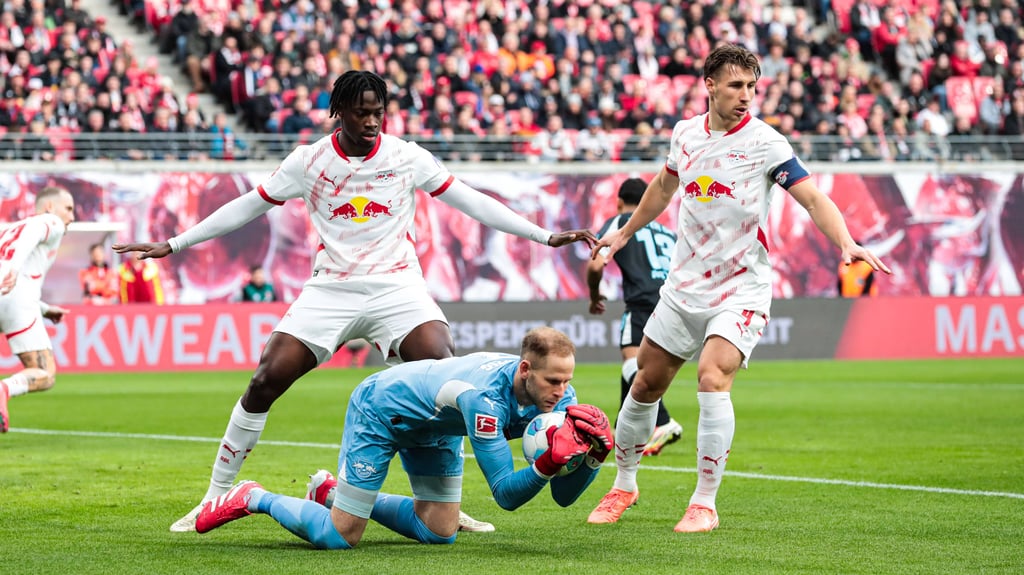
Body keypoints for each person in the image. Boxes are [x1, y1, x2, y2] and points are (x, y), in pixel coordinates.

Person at [112, 70, 596, 534]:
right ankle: (215, 494)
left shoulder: (406, 156)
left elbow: (471, 200)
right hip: (332, 288)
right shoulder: (309, 161)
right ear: (338, 111)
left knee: (444, 378)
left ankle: (443, 501)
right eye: (361, 112)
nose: (371, 121)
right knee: (266, 379)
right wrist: (176, 243)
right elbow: (249, 204)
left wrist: (544, 236)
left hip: (397, 286)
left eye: (378, 113)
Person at [586, 44, 891, 533]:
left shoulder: (767, 143)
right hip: (684, 287)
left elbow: (813, 198)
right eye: (736, 86)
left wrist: (846, 241)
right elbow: (663, 188)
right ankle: (624, 485)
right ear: (709, 85)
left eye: (752, 86)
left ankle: (704, 503)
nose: (746, 95)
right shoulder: (685, 134)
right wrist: (623, 233)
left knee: (712, 377)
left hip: (741, 287)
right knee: (644, 385)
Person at [194, 327, 613, 549]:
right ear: (525, 370)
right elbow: (505, 494)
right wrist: (547, 463)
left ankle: (330, 492)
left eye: (567, 381)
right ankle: (254, 496)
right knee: (340, 536)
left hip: (437, 427)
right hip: (383, 410)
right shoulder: (483, 400)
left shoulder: (563, 400)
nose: (562, 392)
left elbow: (563, 498)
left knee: (439, 532)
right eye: (553, 381)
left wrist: (593, 459)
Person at [587, 178, 682, 456]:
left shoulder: (620, 222)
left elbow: (595, 266)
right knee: (634, 363)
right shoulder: (667, 233)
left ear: (619, 202)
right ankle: (622, 429)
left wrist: (594, 295)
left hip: (643, 303)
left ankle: (663, 421)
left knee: (634, 364)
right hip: (673, 303)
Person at [0, 186, 76, 433]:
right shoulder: (49, 221)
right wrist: (13, 269)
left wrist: (44, 309)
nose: (71, 217)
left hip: (11, 291)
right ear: (49, 207)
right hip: (16, 298)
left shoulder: (8, 230)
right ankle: (4, 389)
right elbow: (35, 232)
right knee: (45, 373)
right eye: (68, 209)